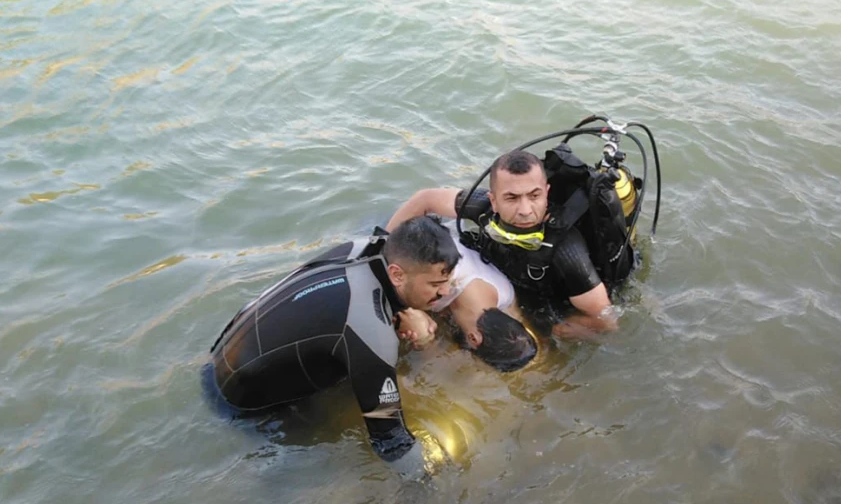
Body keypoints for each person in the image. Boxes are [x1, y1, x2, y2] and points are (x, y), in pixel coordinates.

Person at [205, 216, 536, 473]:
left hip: (224, 351)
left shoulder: (366, 246)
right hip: (243, 402)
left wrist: (411, 311)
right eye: (436, 285)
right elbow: (390, 441)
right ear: (397, 274)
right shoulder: (370, 332)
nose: (444, 294)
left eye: (448, 283)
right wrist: (436, 491)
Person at [386, 150, 617, 338]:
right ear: (493, 200)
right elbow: (426, 199)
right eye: (512, 198)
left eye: (534, 196)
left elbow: (606, 319)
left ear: (547, 193)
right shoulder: (483, 210)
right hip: (498, 280)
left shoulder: (567, 252)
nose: (525, 210)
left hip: (545, 303)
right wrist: (383, 246)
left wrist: (554, 331)